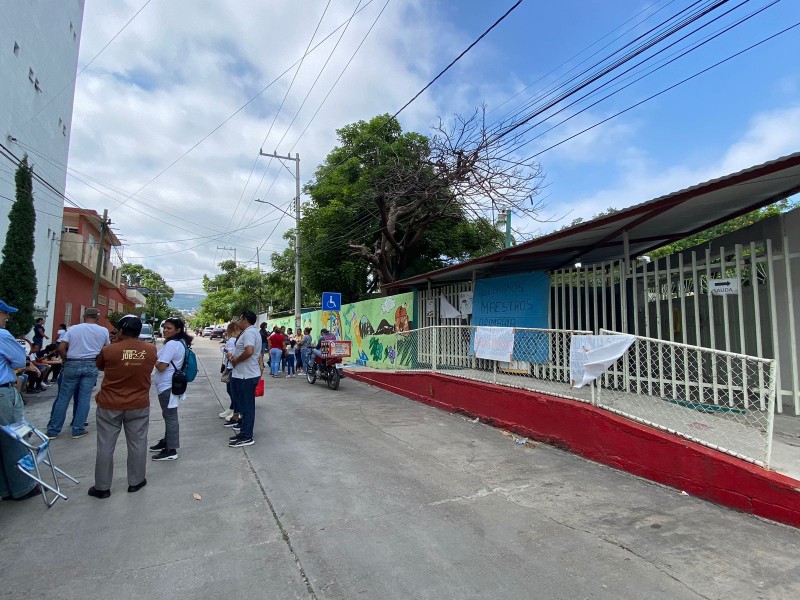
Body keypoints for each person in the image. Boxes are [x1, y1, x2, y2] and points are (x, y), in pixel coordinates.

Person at [88, 315, 157, 499]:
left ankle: (102, 487)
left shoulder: (109, 350)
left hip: (110, 404)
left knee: (105, 445)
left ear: (120, 330)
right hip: (138, 404)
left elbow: (100, 366)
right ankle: (136, 481)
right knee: (138, 443)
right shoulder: (151, 350)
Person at [46, 307, 110, 440]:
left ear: (84, 316)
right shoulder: (103, 331)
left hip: (72, 363)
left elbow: (61, 347)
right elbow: (106, 349)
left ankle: (53, 430)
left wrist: (65, 359)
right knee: (84, 398)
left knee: (63, 398)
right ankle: (78, 429)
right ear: (97, 318)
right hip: (91, 364)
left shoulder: (73, 329)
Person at [0, 298, 41, 501]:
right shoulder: (2, 335)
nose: (7, 317)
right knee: (12, 440)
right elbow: (18, 359)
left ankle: (6, 488)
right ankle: (23, 487)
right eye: (4, 313)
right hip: (2, 393)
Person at [149, 317, 193, 461]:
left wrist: (152, 359)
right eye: (165, 327)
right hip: (171, 385)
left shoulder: (172, 345)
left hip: (167, 385)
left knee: (170, 417)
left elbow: (162, 366)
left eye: (169, 328)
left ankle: (171, 449)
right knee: (168, 416)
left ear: (178, 330)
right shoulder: (180, 343)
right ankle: (166, 441)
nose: (165, 330)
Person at [226, 311, 261, 448]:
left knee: (247, 406)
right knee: (243, 406)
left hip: (247, 375)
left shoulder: (250, 333)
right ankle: (244, 431)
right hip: (242, 374)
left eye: (240, 319)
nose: (239, 322)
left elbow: (249, 351)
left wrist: (236, 361)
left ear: (245, 319)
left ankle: (247, 436)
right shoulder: (248, 332)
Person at [219, 321, 240, 422]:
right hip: (233, 366)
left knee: (232, 391)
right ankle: (232, 408)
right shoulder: (237, 339)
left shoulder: (232, 340)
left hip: (232, 367)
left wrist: (224, 350)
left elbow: (230, 354)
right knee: (231, 390)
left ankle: (235, 410)